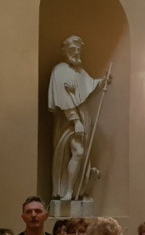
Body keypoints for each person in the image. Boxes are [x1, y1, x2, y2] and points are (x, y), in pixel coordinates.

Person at [49, 35, 109, 200]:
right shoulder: (59, 70)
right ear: (66, 51)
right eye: (72, 49)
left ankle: (78, 190)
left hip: (83, 117)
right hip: (68, 120)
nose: (76, 52)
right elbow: (61, 98)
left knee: (81, 154)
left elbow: (90, 87)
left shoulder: (80, 72)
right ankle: (68, 191)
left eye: (78, 49)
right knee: (79, 152)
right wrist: (75, 121)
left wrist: (103, 82)